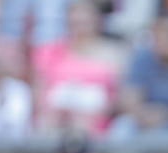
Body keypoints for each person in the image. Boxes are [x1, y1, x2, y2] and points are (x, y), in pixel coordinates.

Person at [31, 0, 127, 137]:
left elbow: (119, 98)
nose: (80, 23)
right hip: (56, 123)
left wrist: (90, 115)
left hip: (99, 126)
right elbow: (40, 95)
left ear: (97, 20)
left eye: (85, 18)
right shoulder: (49, 52)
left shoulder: (114, 53)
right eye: (75, 18)